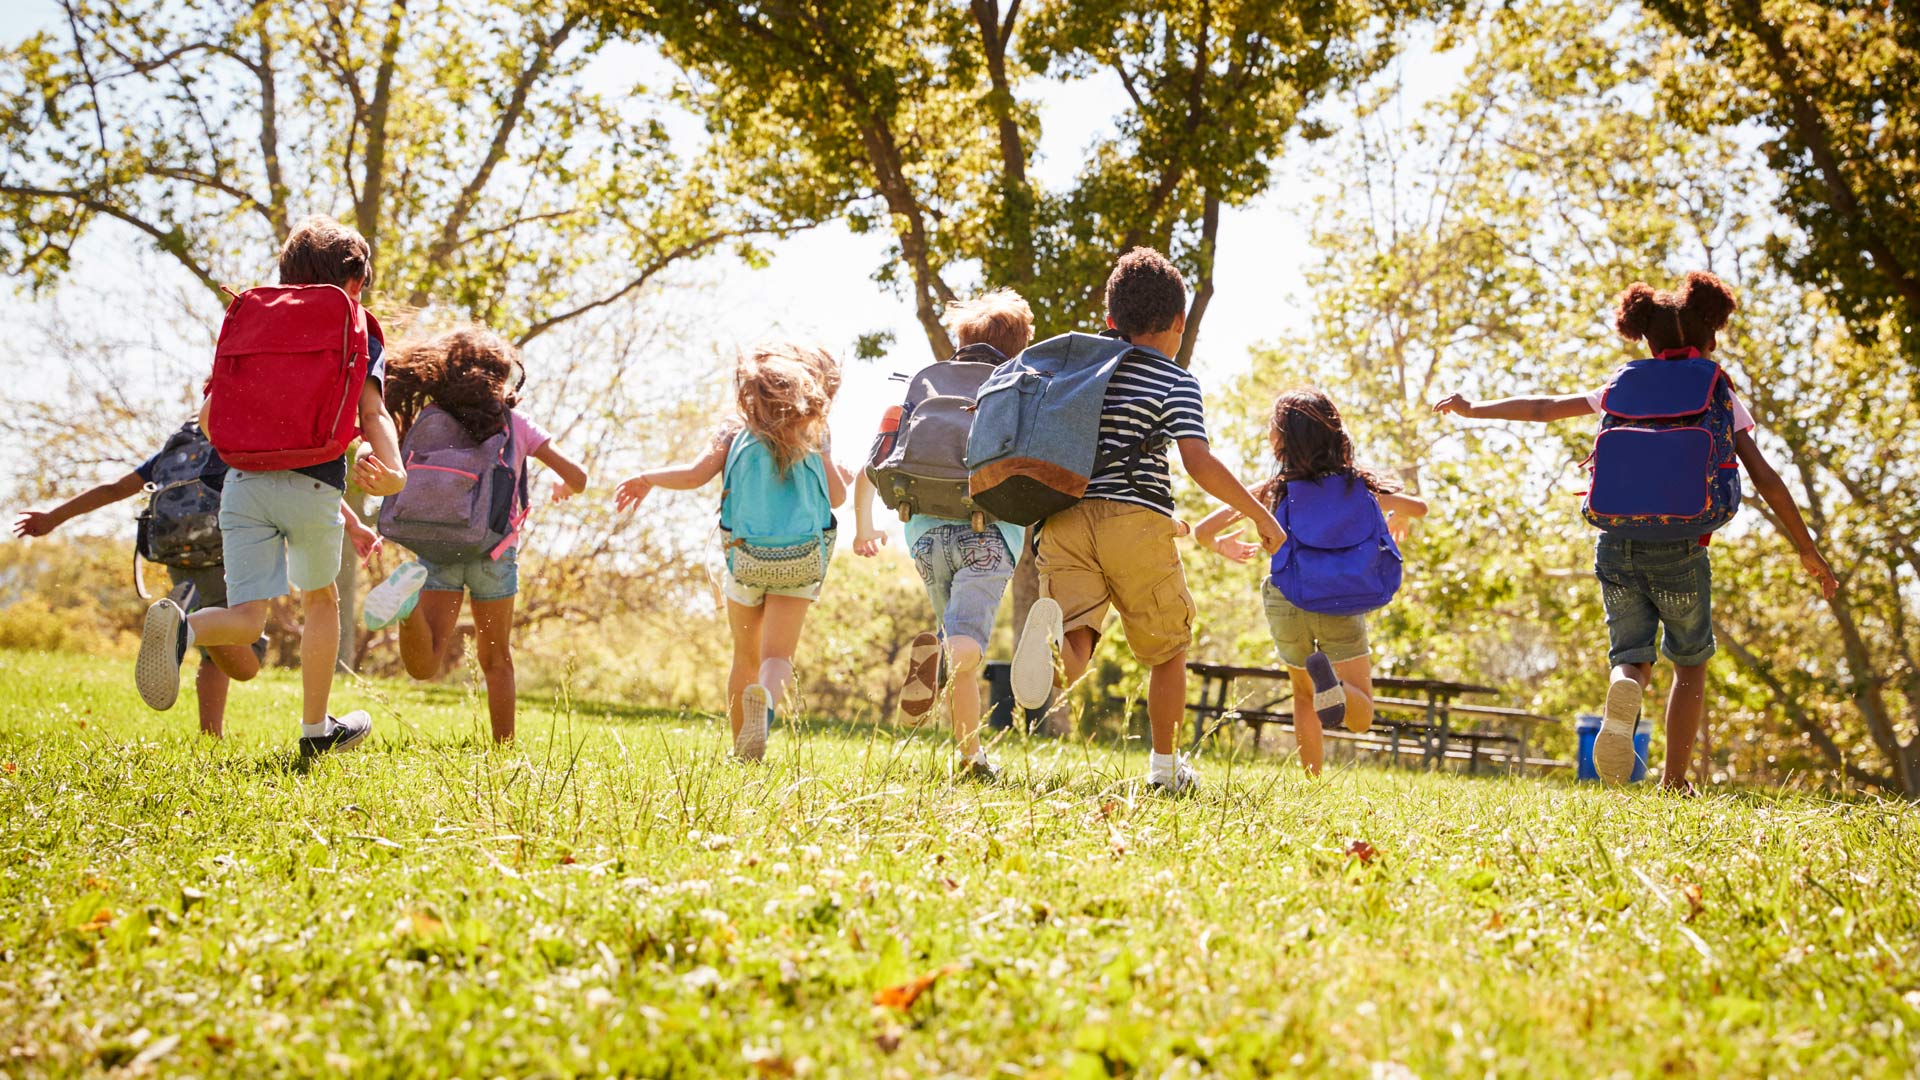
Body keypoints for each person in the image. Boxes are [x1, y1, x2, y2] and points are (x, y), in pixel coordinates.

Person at [1432, 270, 1837, 791]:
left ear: (1644, 336)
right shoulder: (1715, 388)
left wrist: (1473, 409)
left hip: (1614, 543)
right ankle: (1674, 780)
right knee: (1689, 663)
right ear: (1707, 335)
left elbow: (1542, 409)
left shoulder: (1620, 385)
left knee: (1632, 655)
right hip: (1682, 548)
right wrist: (1807, 549)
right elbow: (1765, 477)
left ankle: (1624, 690)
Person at [1008, 248, 1284, 794]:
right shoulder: (1175, 381)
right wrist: (1258, 515)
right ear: (1179, 322)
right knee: (1167, 649)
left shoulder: (1077, 373)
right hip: (1136, 520)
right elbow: (1198, 462)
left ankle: (1053, 652)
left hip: (1063, 516)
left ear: (1110, 321)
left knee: (1080, 633)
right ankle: (1164, 768)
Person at [133, 215, 408, 758]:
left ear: (286, 275)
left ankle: (183, 631)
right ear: (354, 282)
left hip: (242, 485)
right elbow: (372, 412)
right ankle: (315, 731)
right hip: (312, 486)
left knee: (246, 617)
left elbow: (211, 421)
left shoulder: (257, 321)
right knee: (320, 601)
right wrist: (393, 470)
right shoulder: (355, 323)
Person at [13, 426, 379, 735]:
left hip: (177, 551)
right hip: (223, 543)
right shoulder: (242, 434)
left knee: (213, 639)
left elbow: (114, 488)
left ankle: (200, 697)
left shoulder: (180, 447)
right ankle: (187, 636)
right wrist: (354, 523)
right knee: (243, 653)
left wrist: (53, 517)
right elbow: (294, 477)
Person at [614, 342, 849, 761]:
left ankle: (742, 753)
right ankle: (768, 707)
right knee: (776, 656)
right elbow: (835, 497)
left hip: (746, 559)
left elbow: (694, 475)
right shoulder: (817, 431)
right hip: (800, 561)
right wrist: (836, 469)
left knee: (745, 656)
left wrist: (647, 478)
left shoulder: (732, 428)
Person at [359, 327, 588, 743]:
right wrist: (565, 485)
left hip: (437, 547)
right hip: (493, 554)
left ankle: (406, 608)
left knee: (423, 666)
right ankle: (504, 747)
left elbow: (373, 445)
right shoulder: (514, 423)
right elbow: (579, 476)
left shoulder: (428, 418)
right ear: (501, 376)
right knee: (496, 659)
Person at [1193, 388, 1427, 776]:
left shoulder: (1274, 489)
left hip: (1288, 599)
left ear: (1281, 440)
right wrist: (1399, 516)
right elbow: (1419, 507)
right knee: (1360, 715)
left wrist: (1222, 546)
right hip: (1341, 598)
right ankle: (1332, 681)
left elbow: (1203, 530)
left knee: (1304, 694)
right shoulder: (1361, 486)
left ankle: (1311, 782)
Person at [853, 289, 1034, 781]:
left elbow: (874, 463)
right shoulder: (1019, 386)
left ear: (962, 339)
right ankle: (939, 658)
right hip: (989, 535)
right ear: (1020, 344)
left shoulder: (925, 384)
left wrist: (864, 526)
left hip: (926, 537)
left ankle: (971, 759)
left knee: (960, 650)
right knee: (966, 646)